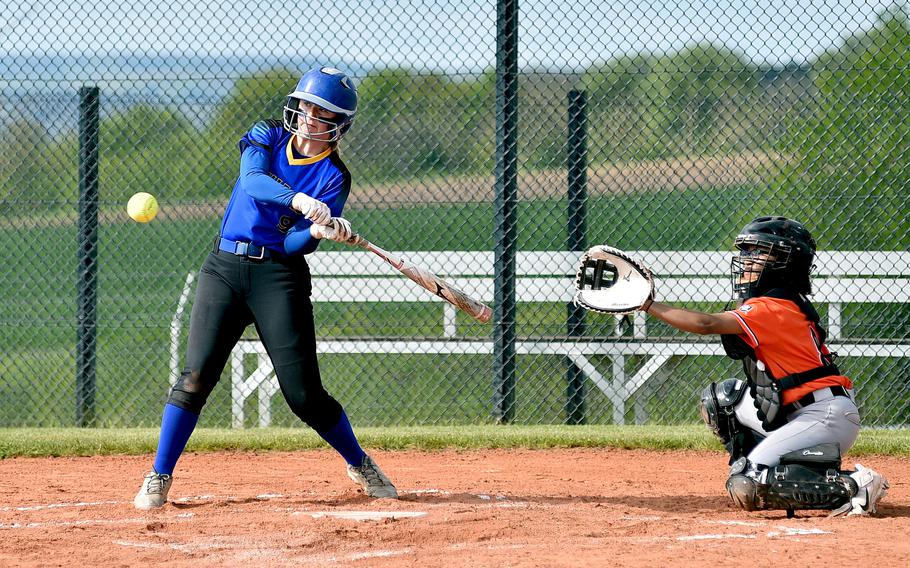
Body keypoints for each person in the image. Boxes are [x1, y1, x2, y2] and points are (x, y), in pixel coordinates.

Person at [134, 66, 398, 510]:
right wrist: (297, 200)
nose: (310, 116)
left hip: (278, 277)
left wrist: (317, 231)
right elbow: (253, 182)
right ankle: (158, 475)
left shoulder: (334, 177)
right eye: (307, 105)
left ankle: (359, 461)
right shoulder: (267, 134)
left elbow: (293, 244)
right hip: (224, 267)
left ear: (339, 125)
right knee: (196, 376)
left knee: (303, 396)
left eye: (322, 112)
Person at [640, 216, 888, 517]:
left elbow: (704, 323)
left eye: (758, 252)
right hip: (800, 412)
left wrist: (649, 305)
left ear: (785, 263)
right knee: (723, 402)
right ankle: (769, 465)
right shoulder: (774, 303)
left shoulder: (772, 308)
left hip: (824, 416)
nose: (746, 260)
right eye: (745, 252)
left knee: (748, 483)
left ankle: (855, 485)